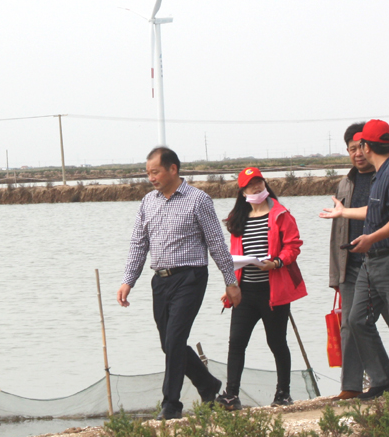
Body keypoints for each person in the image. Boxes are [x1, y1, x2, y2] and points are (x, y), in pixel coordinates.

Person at [117, 147, 242, 420]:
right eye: (148, 173)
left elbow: (216, 243)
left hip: (190, 277)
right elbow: (138, 244)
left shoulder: (198, 200)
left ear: (173, 169)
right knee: (168, 343)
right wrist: (129, 280)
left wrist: (230, 281)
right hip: (160, 281)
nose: (151, 178)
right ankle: (208, 384)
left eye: (155, 172)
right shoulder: (147, 202)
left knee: (175, 338)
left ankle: (171, 404)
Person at [321, 119, 389, 403]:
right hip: (368, 262)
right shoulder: (380, 174)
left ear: (368, 147)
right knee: (356, 321)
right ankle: (384, 380)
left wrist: (371, 238)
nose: (358, 152)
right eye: (352, 148)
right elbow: (375, 210)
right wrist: (344, 213)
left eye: (361, 146)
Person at [215, 167, 307, 411]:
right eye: (250, 184)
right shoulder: (237, 218)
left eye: (259, 182)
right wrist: (231, 284)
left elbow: (293, 246)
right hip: (245, 291)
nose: (256, 187)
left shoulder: (280, 214)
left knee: (276, 342)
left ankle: (283, 393)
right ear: (242, 191)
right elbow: (234, 256)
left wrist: (276, 262)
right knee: (236, 342)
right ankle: (231, 395)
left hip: (273, 291)